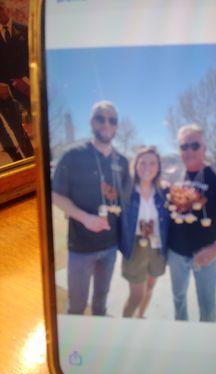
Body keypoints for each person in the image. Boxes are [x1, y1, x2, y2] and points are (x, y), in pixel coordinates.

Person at [52, 101, 130, 315]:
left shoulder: (122, 162)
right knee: (76, 305)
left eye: (112, 120)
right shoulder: (72, 155)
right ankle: (74, 349)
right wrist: (83, 217)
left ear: (116, 126)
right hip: (81, 247)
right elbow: (55, 194)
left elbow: (127, 199)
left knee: (101, 301)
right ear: (91, 122)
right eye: (101, 118)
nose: (106, 124)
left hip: (111, 247)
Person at [168, 124, 216, 322]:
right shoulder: (174, 176)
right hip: (175, 254)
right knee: (178, 299)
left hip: (206, 256)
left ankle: (206, 343)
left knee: (207, 306)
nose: (189, 151)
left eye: (195, 145)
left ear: (204, 148)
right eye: (184, 146)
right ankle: (181, 335)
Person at [120, 147, 169, 318]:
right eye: (143, 162)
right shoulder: (126, 191)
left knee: (149, 288)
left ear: (158, 167)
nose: (147, 167)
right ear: (136, 165)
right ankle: (126, 324)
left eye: (152, 163)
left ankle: (140, 317)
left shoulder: (164, 193)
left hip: (157, 246)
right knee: (136, 295)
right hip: (135, 247)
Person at [0, 1, 33, 162]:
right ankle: (20, 161)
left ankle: (33, 157)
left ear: (5, 9)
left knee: (24, 126)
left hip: (25, 86)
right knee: (7, 130)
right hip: (5, 90)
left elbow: (32, 58)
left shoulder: (24, 30)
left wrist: (24, 82)